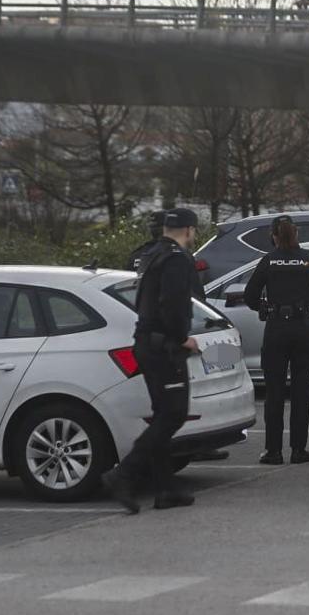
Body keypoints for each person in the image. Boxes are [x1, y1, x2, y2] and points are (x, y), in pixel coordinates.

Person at [103, 207, 202, 513]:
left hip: (146, 342)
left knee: (163, 414)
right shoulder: (176, 259)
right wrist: (182, 337)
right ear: (188, 230)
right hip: (164, 347)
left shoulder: (151, 255)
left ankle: (165, 489)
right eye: (195, 231)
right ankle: (124, 473)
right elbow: (172, 304)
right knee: (172, 415)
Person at [242, 215, 309, 465]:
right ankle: (299, 450)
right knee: (302, 391)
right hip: (304, 327)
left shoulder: (268, 261)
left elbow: (250, 296)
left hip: (277, 327)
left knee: (274, 392)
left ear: (274, 236)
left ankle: (273, 451)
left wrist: (265, 306)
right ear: (297, 234)